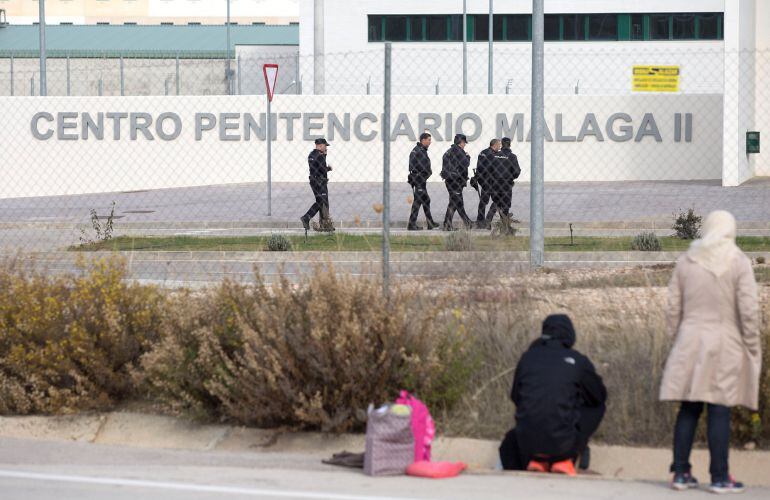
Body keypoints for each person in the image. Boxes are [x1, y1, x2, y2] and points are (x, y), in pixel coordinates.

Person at [660, 210, 760, 494]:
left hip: (689, 340)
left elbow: (672, 309)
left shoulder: (687, 260)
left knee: (689, 408)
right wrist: (752, 346)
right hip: (725, 342)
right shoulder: (738, 261)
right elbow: (748, 310)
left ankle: (680, 472)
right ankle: (719, 476)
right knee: (719, 409)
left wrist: (674, 340)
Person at [499, 314, 607, 476]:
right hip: (564, 446)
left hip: (526, 445)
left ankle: (538, 461)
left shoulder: (527, 358)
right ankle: (566, 459)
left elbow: (516, 397)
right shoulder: (578, 361)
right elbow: (599, 396)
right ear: (570, 335)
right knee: (597, 406)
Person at [485, 137, 521, 229]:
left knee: (496, 202)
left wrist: (493, 178)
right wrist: (511, 177)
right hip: (506, 184)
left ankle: (488, 222)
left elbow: (489, 169)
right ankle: (505, 225)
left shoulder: (495, 155)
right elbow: (517, 171)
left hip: (495, 183)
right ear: (509, 145)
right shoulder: (512, 157)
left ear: (501, 145)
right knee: (505, 204)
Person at [300, 138, 334, 232]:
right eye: (325, 146)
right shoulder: (320, 156)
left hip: (313, 181)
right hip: (320, 182)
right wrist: (329, 167)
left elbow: (316, 168)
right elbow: (323, 170)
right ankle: (307, 217)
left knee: (321, 202)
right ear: (320, 145)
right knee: (323, 202)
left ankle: (324, 224)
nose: (326, 148)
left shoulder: (311, 154)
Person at [407, 133, 439, 231]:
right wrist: (424, 174)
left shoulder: (421, 150)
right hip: (419, 180)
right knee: (417, 202)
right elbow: (417, 167)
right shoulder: (418, 151)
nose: (430, 142)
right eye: (429, 140)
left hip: (421, 180)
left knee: (426, 200)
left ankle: (430, 223)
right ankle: (411, 225)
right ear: (423, 140)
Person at [440, 134, 472, 231]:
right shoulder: (460, 151)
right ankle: (450, 224)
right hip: (456, 181)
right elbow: (466, 164)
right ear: (461, 142)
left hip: (449, 180)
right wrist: (468, 156)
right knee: (456, 202)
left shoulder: (449, 151)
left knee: (456, 202)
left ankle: (464, 223)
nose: (465, 145)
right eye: (464, 143)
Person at [472, 139, 500, 229]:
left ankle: (480, 220)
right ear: (495, 145)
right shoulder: (494, 155)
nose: (500, 147)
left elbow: (479, 167)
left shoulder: (483, 152)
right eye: (499, 145)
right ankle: (487, 219)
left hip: (484, 181)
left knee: (483, 201)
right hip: (492, 181)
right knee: (497, 201)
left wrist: (477, 178)